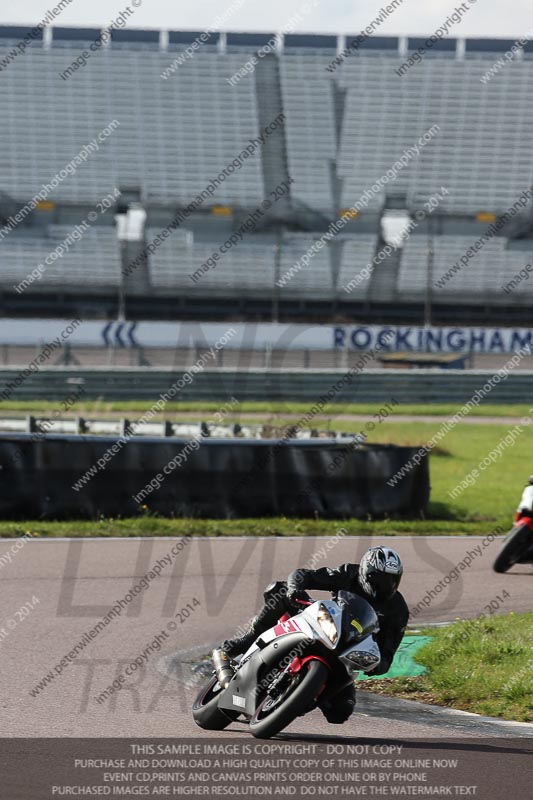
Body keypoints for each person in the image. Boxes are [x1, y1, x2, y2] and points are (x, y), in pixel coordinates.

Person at [212, 546, 408, 724]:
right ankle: (244, 642)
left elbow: (388, 653)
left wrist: (375, 664)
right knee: (279, 592)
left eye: (392, 580)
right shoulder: (349, 574)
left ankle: (299, 700)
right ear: (366, 572)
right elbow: (303, 576)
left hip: (347, 652)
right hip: (328, 625)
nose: (385, 585)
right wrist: (295, 589)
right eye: (379, 579)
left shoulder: (398, 610)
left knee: (341, 711)